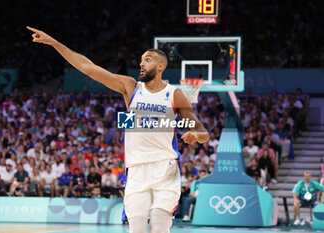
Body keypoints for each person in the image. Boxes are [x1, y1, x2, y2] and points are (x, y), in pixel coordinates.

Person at [27, 26, 209, 233]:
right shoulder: (130, 87)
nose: (141, 63)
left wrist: (196, 134)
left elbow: (203, 132)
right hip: (136, 170)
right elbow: (88, 68)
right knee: (137, 228)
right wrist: (54, 43)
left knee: (159, 224)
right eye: (141, 59)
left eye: (147, 59)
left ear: (160, 66)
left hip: (164, 167)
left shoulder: (174, 94)